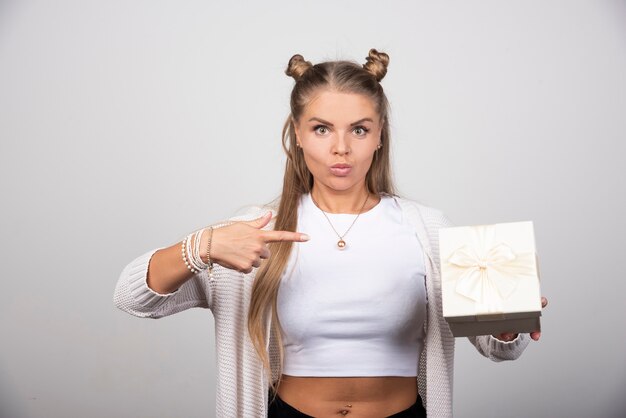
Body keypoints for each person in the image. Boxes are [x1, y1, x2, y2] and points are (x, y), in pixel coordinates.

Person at [113, 49, 547, 418]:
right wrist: (203, 246)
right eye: (322, 129)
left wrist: (509, 321)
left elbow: (496, 348)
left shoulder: (428, 230)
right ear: (298, 135)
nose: (341, 147)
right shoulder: (257, 230)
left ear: (379, 137)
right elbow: (133, 298)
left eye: (359, 129)